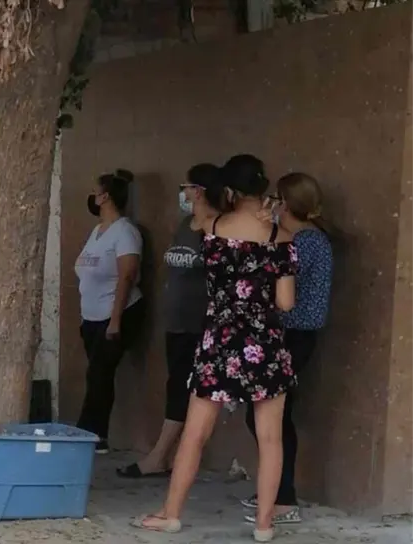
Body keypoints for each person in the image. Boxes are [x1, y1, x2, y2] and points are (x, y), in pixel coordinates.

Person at [134, 154, 297, 543]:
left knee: (195, 433)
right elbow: (286, 302)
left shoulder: (212, 229)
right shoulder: (282, 238)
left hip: (218, 343)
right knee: (270, 439)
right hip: (264, 345)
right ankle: (264, 525)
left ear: (229, 189)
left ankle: (171, 514)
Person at [118, 163, 224, 478]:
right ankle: (166, 455)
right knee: (176, 384)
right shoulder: (184, 224)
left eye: (187, 187)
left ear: (199, 191)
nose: (184, 193)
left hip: (199, 322)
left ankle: (160, 455)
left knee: (183, 387)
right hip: (176, 320)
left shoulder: (218, 228)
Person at [240, 172, 332, 526]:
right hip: (284, 334)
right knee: (269, 415)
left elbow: (274, 280)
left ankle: (282, 497)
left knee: (272, 416)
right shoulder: (297, 238)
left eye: (275, 199)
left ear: (286, 204)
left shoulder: (306, 242)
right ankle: (276, 490)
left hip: (294, 335)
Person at [74, 169, 146, 453]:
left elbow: (126, 276)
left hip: (114, 315)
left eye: (95, 191)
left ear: (105, 197)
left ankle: (91, 435)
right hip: (91, 317)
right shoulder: (97, 231)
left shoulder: (125, 232)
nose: (92, 196)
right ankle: (92, 433)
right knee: (96, 374)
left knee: (99, 375)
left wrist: (115, 321)